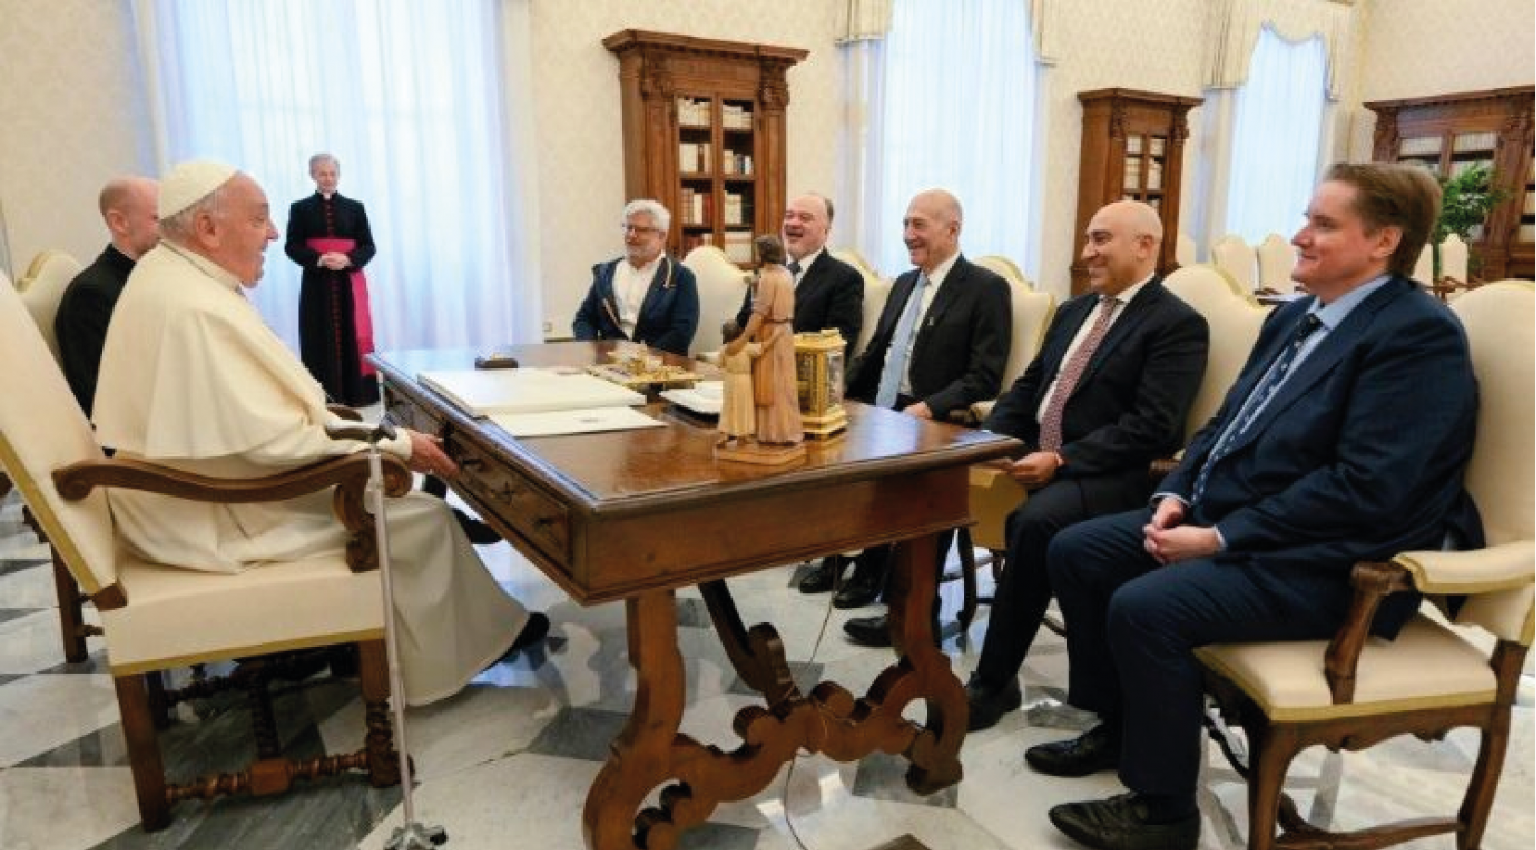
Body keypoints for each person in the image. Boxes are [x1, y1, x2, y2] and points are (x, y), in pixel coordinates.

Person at [1033, 163, 1479, 850]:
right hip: (1233, 517)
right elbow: (1223, 422)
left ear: (1384, 240)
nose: (1299, 236)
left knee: (1145, 608)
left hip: (1330, 560)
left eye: (1323, 224)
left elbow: (1366, 488)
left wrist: (1221, 538)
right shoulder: (1298, 316)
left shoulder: (1418, 337)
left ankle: (1163, 814)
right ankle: (1120, 726)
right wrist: (1176, 493)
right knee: (1077, 550)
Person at [94, 160, 548, 707]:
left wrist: (364, 432)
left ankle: (451, 636)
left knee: (408, 506)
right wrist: (397, 447)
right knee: (421, 518)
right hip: (218, 513)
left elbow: (257, 419)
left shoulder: (174, 278)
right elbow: (269, 443)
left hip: (202, 486)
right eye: (260, 218)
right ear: (208, 229)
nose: (275, 233)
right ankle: (440, 664)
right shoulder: (192, 306)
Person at [964, 201, 1209, 731]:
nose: (1086, 252)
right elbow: (1029, 385)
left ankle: (993, 682)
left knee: (1033, 524)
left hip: (1114, 474)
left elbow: (1153, 427)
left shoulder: (1177, 324)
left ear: (1145, 246)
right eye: (1088, 239)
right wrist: (991, 439)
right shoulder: (1075, 311)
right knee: (936, 476)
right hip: (1038, 456)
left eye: (1101, 240)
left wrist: (1061, 459)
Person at [839, 188, 1012, 642]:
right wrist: (836, 391)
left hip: (938, 419)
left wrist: (928, 406)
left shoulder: (985, 289)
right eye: (904, 225)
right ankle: (858, 568)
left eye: (918, 225)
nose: (907, 235)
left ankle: (912, 613)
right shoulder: (903, 284)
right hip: (886, 409)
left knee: (919, 489)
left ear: (952, 229)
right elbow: (877, 352)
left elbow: (985, 376)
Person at [731, 193, 863, 593]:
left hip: (807, 382)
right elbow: (743, 321)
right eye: (789, 215)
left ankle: (820, 543)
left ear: (826, 229)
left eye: (805, 217)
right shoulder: (768, 272)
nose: (793, 223)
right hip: (759, 370)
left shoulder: (843, 278)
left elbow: (842, 339)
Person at [55, 176, 160, 416]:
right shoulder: (91, 295)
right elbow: (106, 398)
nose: (171, 231)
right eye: (158, 219)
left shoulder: (152, 277)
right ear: (119, 222)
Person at [285, 153, 379, 407]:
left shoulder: (355, 207)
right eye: (322, 173)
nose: (327, 178)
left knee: (353, 334)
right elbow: (291, 246)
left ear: (338, 175)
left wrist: (348, 260)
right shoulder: (300, 208)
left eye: (332, 173)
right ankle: (324, 397)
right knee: (319, 335)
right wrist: (319, 259)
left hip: (349, 281)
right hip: (317, 284)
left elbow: (369, 247)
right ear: (312, 175)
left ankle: (357, 394)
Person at [572, 199, 699, 356]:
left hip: (659, 368)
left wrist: (640, 358)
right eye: (628, 228)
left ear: (662, 236)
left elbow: (681, 333)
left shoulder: (681, 277)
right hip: (608, 365)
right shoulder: (606, 273)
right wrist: (590, 350)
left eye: (641, 230)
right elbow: (584, 319)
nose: (631, 235)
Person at [724, 234, 802, 445]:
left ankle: (771, 433)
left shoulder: (769, 277)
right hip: (785, 330)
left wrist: (745, 337)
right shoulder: (786, 273)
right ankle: (787, 430)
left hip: (770, 332)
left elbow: (759, 312)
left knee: (769, 386)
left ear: (762, 253)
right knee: (784, 386)